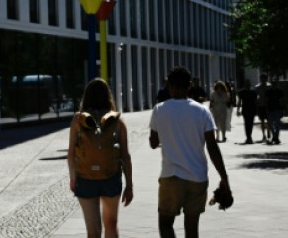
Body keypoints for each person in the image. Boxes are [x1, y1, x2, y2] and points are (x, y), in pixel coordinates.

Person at [150, 66, 232, 238]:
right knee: (192, 229)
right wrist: (224, 178)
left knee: (165, 224)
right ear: (189, 86)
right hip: (197, 177)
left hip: (171, 176)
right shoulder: (202, 111)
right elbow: (212, 147)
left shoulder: (159, 109)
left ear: (169, 85)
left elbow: (153, 142)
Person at [68, 78, 133, 238]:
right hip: (110, 177)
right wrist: (129, 185)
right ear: (108, 96)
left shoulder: (78, 119)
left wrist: (73, 178)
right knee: (111, 224)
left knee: (93, 231)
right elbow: (125, 156)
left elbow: (71, 153)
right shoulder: (117, 120)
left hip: (85, 178)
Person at [235, 79, 258, 144]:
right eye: (246, 83)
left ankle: (249, 137)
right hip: (245, 109)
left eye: (248, 83)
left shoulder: (253, 92)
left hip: (251, 109)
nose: (247, 85)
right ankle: (248, 137)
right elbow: (239, 102)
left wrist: (257, 109)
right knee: (247, 124)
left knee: (250, 124)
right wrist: (238, 110)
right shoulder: (242, 92)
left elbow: (256, 101)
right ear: (244, 85)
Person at [264, 80, 285, 145]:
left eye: (275, 84)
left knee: (277, 124)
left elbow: (282, 100)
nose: (274, 85)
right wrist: (266, 109)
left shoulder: (280, 91)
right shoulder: (268, 92)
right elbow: (266, 100)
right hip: (270, 109)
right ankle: (274, 136)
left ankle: (276, 137)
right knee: (271, 124)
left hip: (278, 109)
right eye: (273, 84)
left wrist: (283, 109)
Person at [255, 74, 270, 143]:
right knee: (262, 121)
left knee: (269, 121)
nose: (263, 80)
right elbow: (256, 97)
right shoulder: (257, 87)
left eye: (264, 79)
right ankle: (264, 135)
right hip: (261, 105)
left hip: (268, 105)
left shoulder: (269, 86)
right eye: (262, 79)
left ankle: (269, 132)